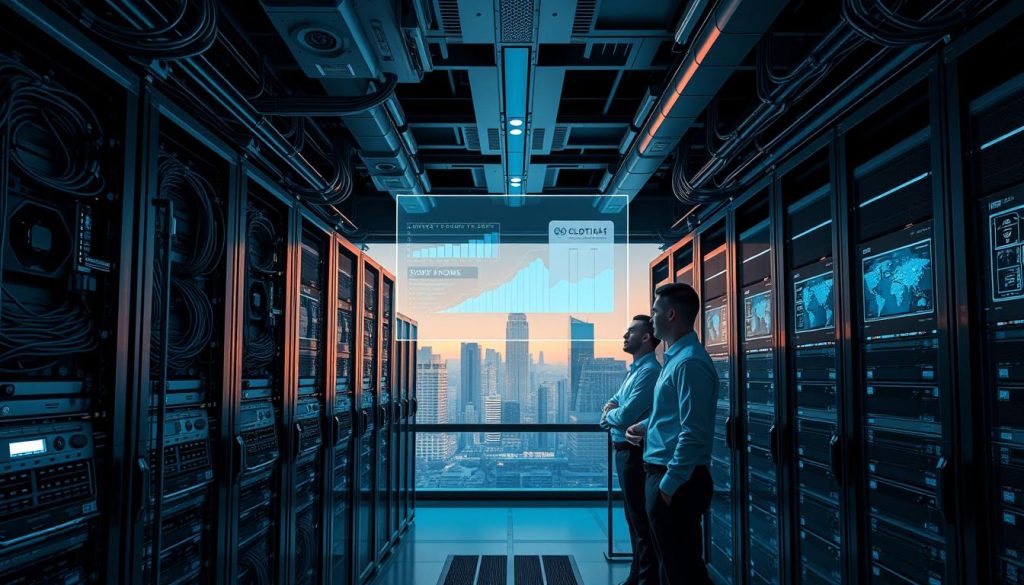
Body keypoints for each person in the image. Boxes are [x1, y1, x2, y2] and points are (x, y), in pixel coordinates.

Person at [626, 283, 717, 585]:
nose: (650, 319)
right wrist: (646, 426)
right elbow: (673, 416)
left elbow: (692, 432)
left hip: (677, 482)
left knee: (683, 572)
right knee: (671, 567)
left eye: (655, 311)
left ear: (672, 314)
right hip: (666, 476)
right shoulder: (675, 359)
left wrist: (667, 486)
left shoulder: (689, 363)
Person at [600, 316, 661, 585]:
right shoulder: (634, 370)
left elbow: (625, 414)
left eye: (632, 331)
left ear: (646, 337)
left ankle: (645, 580)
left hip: (634, 453)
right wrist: (614, 412)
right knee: (633, 518)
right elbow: (614, 402)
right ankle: (637, 576)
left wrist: (610, 416)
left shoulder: (649, 372)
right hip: (624, 451)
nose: (625, 335)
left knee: (641, 522)